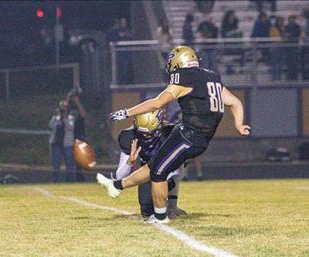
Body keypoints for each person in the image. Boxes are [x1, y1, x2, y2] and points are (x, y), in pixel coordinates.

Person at [98, 46, 250, 224]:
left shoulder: (184, 77)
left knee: (158, 172)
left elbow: (157, 103)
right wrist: (239, 125)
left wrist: (127, 112)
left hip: (190, 135)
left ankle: (161, 216)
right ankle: (115, 185)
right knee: (154, 164)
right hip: (193, 134)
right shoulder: (211, 77)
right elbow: (235, 102)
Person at [116, 110, 187, 219]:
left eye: (150, 133)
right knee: (147, 211)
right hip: (146, 170)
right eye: (141, 133)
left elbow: (179, 165)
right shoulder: (129, 137)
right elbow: (119, 177)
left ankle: (173, 205)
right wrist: (129, 162)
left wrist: (166, 184)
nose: (145, 137)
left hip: (167, 169)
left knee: (177, 166)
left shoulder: (170, 133)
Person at [49, 100, 76, 182]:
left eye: (64, 109)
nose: (63, 110)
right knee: (56, 164)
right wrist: (56, 117)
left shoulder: (71, 118)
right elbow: (50, 126)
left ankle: (69, 180)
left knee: (69, 164)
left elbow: (70, 127)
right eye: (61, 109)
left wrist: (64, 118)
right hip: (56, 144)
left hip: (67, 144)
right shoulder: (56, 118)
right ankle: (55, 180)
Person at [66, 87, 87, 182]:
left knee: (79, 158)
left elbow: (83, 115)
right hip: (69, 136)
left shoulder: (79, 107)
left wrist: (78, 102)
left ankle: (80, 178)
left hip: (79, 135)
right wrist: (68, 98)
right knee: (70, 158)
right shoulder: (68, 107)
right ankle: (69, 178)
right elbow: (63, 112)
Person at [284, 14, 302, 80]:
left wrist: (291, 35)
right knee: (289, 63)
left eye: (293, 18)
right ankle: (289, 77)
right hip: (288, 47)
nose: (292, 20)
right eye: (291, 18)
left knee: (295, 63)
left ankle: (295, 77)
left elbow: (298, 34)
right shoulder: (286, 26)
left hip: (295, 46)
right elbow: (284, 35)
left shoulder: (297, 26)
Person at [269, 16, 285, 80]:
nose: (281, 22)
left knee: (280, 63)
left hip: (281, 47)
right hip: (275, 46)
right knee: (274, 62)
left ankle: (279, 77)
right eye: (280, 21)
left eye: (282, 21)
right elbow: (272, 36)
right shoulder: (273, 28)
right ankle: (274, 77)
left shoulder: (283, 28)